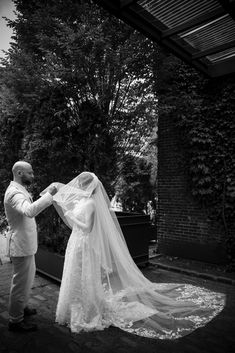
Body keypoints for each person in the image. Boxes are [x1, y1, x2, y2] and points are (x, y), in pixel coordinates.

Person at [52, 172, 225, 339]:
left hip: (84, 243)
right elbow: (75, 220)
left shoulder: (90, 203)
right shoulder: (83, 200)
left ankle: (88, 310)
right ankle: (74, 308)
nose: (79, 186)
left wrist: (70, 216)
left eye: (82, 184)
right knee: (75, 274)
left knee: (85, 275)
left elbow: (87, 228)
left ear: (88, 186)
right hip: (76, 243)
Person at [4, 161, 57, 333]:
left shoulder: (20, 189)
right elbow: (29, 211)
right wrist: (49, 195)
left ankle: (22, 307)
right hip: (21, 246)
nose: (33, 176)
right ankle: (15, 320)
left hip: (27, 245)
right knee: (20, 284)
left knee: (27, 281)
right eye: (30, 173)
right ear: (19, 173)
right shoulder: (13, 193)